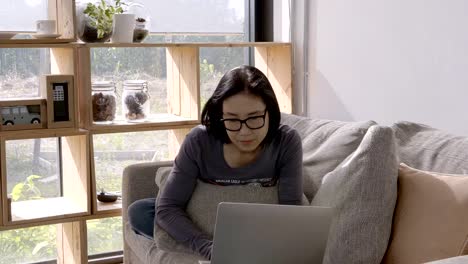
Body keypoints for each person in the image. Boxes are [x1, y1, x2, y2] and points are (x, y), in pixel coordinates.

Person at [127, 65, 303, 260]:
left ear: (270, 111)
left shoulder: (286, 141)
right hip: (201, 223)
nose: (244, 132)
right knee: (140, 212)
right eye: (232, 120)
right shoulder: (199, 140)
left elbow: (291, 212)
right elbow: (168, 208)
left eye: (254, 118)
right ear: (220, 117)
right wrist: (209, 248)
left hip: (253, 226)